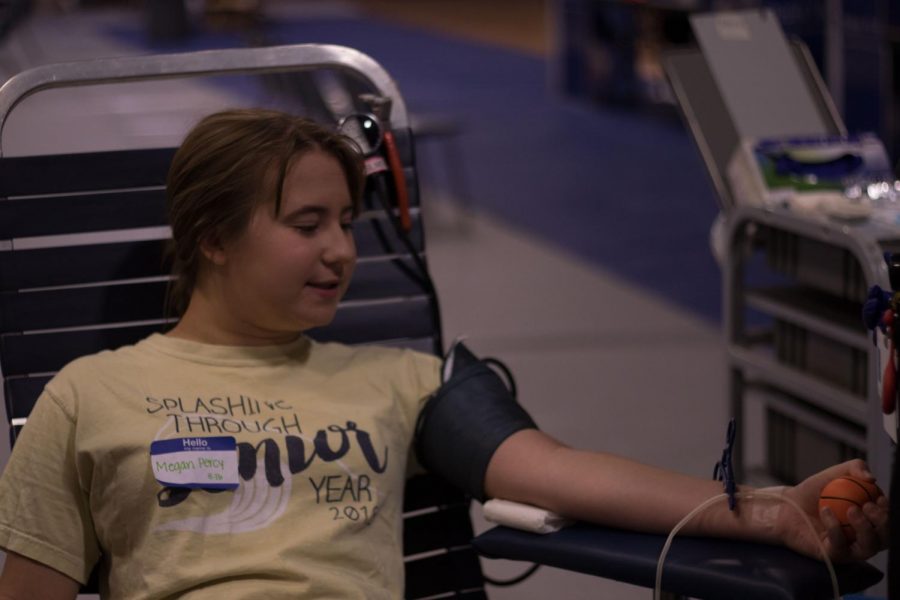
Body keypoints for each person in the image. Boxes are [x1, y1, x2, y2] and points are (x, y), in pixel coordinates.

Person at [0, 108, 889, 599]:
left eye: (347, 223)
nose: (342, 250)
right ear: (213, 239)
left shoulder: (402, 381)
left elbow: (559, 473)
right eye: (306, 224)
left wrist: (769, 513)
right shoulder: (93, 394)